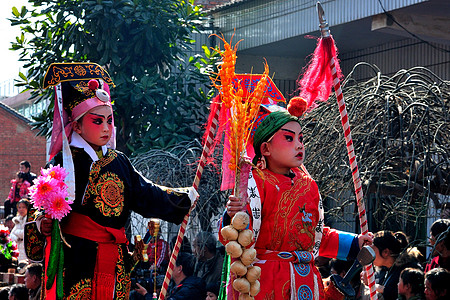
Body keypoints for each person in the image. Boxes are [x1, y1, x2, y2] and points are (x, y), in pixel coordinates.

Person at [24, 62, 197, 299]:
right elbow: (39, 209)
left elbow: (145, 193)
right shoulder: (63, 163)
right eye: (97, 121)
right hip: (76, 261)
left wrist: (183, 197)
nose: (106, 128)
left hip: (115, 261)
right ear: (77, 126)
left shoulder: (119, 161)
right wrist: (41, 224)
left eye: (109, 120)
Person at [220, 103, 373, 299]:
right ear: (265, 148)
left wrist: (354, 243)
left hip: (306, 280)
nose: (299, 145)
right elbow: (234, 239)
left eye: (300, 138)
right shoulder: (255, 183)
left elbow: (315, 236)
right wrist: (232, 216)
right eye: (289, 138)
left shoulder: (309, 186)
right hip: (265, 281)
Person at [362, 231, 423, 300]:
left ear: (385, 252)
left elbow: (399, 294)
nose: (371, 256)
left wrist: (373, 284)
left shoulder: (410, 268)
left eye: (373, 251)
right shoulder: (386, 269)